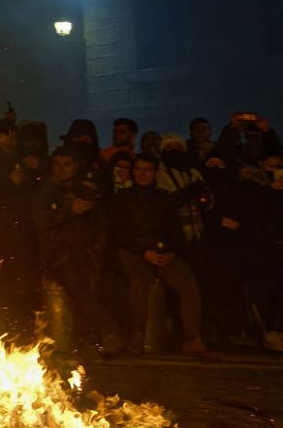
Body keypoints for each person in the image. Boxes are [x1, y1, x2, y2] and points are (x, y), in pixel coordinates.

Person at [109, 153, 210, 357]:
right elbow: (120, 232)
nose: (143, 174)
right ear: (132, 172)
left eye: (147, 169)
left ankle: (192, 340)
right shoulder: (123, 198)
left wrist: (172, 252)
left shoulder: (164, 198)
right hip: (135, 253)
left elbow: (175, 230)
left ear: (155, 173)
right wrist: (143, 252)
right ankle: (135, 341)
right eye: (138, 169)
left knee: (189, 288)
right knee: (138, 288)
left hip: (163, 253)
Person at [32, 147, 122, 360]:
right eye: (57, 163)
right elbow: (41, 221)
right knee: (81, 294)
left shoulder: (82, 189)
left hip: (84, 252)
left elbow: (100, 222)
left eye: (67, 164)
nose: (61, 169)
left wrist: (98, 246)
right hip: (58, 254)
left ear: (75, 166)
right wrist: (69, 211)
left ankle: (90, 342)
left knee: (88, 294)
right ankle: (109, 333)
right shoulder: (45, 190)